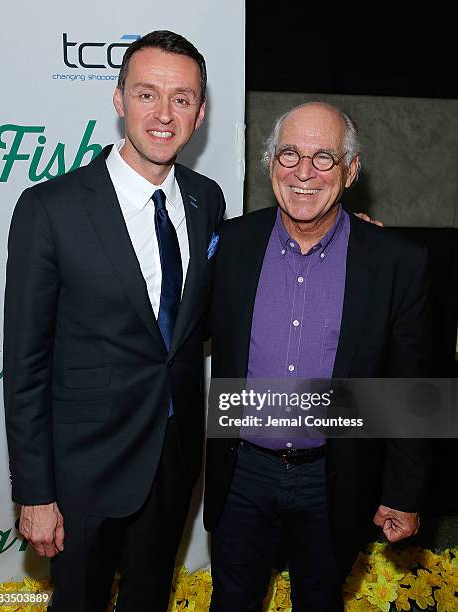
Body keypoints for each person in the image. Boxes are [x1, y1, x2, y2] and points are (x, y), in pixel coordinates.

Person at [3, 30, 225, 612]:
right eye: (147, 93)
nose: (163, 113)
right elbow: (25, 365)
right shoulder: (49, 208)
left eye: (181, 98)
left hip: (174, 464)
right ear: (118, 99)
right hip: (82, 475)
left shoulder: (208, 200)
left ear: (199, 113)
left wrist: (342, 237)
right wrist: (34, 492)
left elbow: (203, 317)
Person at [204, 101, 432, 611]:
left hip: (338, 475)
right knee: (232, 601)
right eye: (289, 153)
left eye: (324, 157)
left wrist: (405, 492)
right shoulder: (230, 245)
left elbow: (411, 388)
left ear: (350, 171)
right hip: (241, 471)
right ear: (270, 165)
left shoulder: (397, 263)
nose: (303, 172)